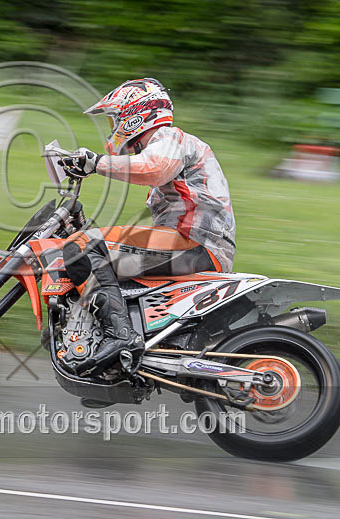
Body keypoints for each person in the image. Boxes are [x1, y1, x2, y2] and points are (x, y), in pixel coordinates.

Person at [57, 78, 236, 376]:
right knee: (88, 245)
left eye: (116, 118)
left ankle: (120, 338)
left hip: (195, 243)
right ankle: (110, 353)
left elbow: (153, 169)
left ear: (135, 112)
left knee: (80, 247)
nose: (114, 127)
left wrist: (96, 162)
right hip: (190, 243)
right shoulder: (163, 146)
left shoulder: (169, 138)